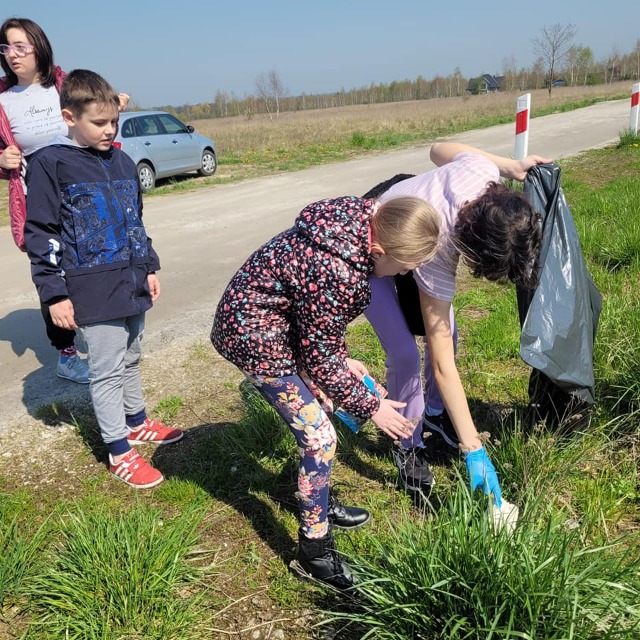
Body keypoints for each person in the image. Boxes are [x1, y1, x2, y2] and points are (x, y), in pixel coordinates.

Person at [211, 194, 442, 589]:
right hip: (255, 336)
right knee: (320, 438)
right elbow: (320, 350)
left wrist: (340, 361)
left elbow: (316, 317)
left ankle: (316, 498)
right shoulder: (338, 267)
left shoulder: (360, 217)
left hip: (279, 323)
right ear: (379, 249)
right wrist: (372, 407)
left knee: (331, 392)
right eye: (405, 267)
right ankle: (313, 554)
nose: (404, 275)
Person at [363, 142, 551, 500]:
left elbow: (437, 150)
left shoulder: (482, 174)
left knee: (450, 332)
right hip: (376, 247)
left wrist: (511, 166)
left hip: (410, 221)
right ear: (470, 248)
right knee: (404, 352)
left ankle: (435, 413)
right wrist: (473, 448)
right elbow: (441, 361)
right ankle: (408, 442)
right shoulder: (440, 247)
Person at [24, 69, 182, 489]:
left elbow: (136, 221)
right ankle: (118, 450)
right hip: (90, 286)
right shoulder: (50, 164)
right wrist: (54, 293)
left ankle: (136, 421)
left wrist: (148, 265)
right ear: (69, 117)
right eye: (98, 123)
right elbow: (40, 233)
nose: (109, 130)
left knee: (131, 355)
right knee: (107, 367)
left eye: (113, 121)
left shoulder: (123, 160)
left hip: (130, 279)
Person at [0, 17, 129, 384]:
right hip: (38, 198)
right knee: (52, 269)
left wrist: (114, 107)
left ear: (39, 46)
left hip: (83, 194)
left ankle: (102, 330)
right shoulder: (2, 100)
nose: (13, 55)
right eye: (6, 48)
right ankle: (67, 354)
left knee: (93, 261)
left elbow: (97, 119)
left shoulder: (65, 85)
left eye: (21, 46)